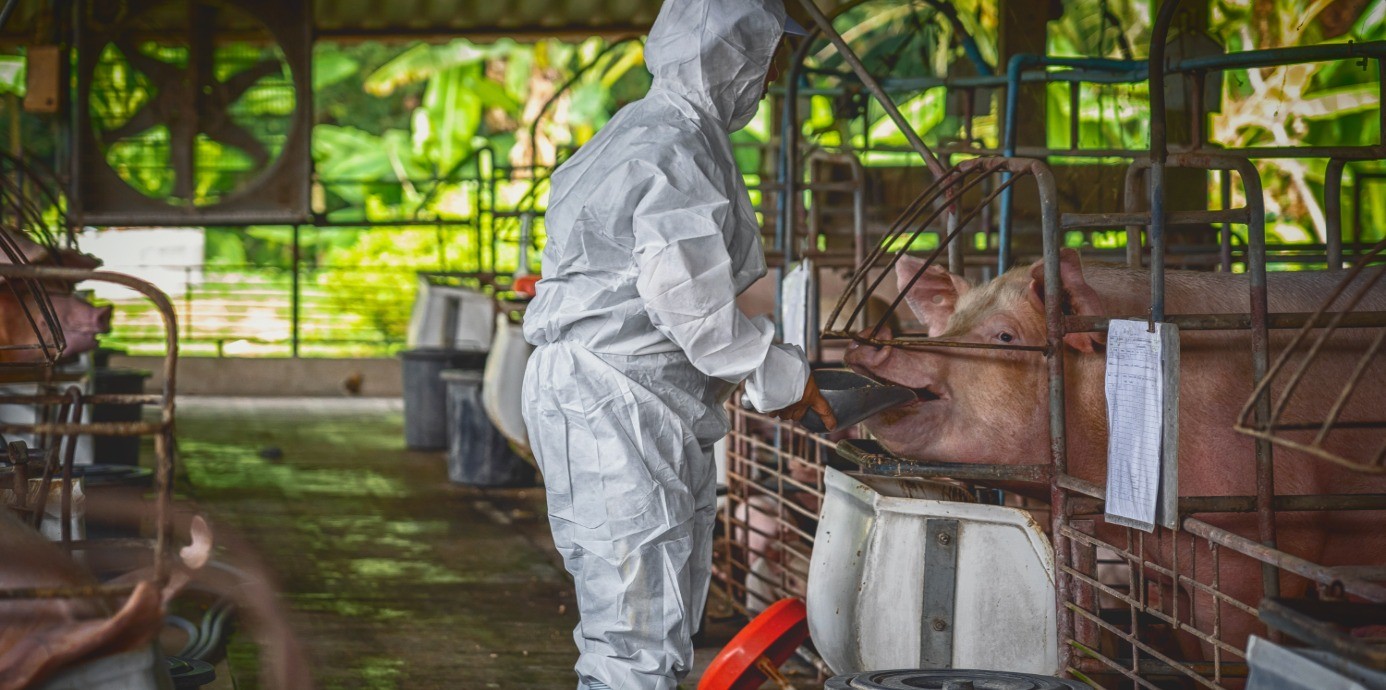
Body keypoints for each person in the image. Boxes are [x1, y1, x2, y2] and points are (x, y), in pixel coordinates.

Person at [520, 1, 832, 688]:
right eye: (770, 55)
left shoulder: (655, 132)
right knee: (635, 633)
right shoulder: (670, 147)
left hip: (638, 398)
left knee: (656, 617)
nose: (773, 75)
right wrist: (780, 375)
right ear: (733, 51)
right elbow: (688, 301)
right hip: (615, 401)